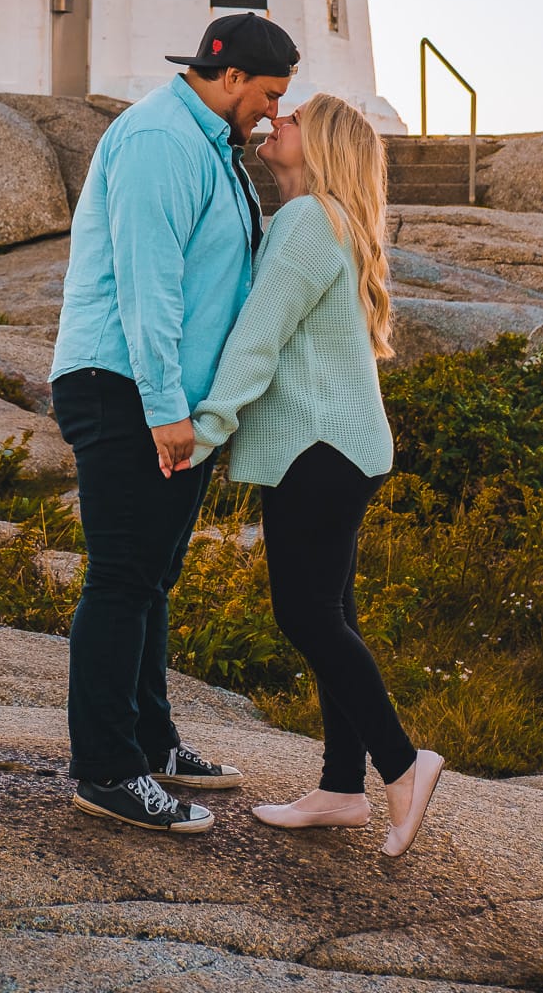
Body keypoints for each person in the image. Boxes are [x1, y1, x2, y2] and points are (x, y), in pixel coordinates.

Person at [49, 11, 300, 835]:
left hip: (167, 399)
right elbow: (146, 287)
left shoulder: (207, 143)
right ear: (229, 78)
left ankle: (151, 743)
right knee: (121, 580)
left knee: (151, 581)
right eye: (266, 95)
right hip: (124, 388)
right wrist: (165, 411)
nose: (269, 113)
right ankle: (107, 771)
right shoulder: (160, 140)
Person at [184, 93, 444, 858]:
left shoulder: (305, 221)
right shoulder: (329, 220)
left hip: (316, 448)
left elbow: (258, 337)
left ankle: (402, 763)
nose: (273, 122)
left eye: (289, 118)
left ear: (320, 144)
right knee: (333, 613)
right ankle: (339, 788)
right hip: (337, 447)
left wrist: (204, 431)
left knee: (306, 617)